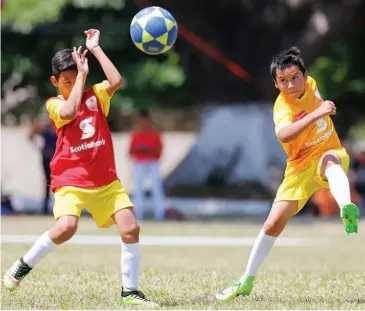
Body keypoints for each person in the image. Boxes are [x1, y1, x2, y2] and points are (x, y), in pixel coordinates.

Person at [3, 29, 158, 308]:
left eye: (76, 78)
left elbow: (116, 80)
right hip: (71, 180)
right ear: (55, 82)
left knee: (131, 228)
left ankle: (130, 293)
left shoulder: (97, 95)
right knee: (66, 228)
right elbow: (69, 112)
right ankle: (24, 264)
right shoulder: (54, 104)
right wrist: (83, 78)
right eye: (66, 81)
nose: (72, 84)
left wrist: (95, 49)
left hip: (106, 181)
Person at [215, 46, 359, 302]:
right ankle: (245, 280)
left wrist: (321, 110)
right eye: (282, 81)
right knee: (272, 223)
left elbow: (315, 97)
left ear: (305, 75)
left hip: (329, 150)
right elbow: (284, 134)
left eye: (294, 77)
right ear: (275, 84)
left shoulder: (312, 83)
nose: (290, 84)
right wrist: (318, 113)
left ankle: (346, 207)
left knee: (330, 163)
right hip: (298, 166)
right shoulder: (282, 107)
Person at [129, 109, 165, 221]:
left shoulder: (155, 134)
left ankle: (160, 214)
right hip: (139, 163)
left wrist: (149, 151)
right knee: (138, 189)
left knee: (156, 188)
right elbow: (131, 151)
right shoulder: (136, 134)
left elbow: (159, 150)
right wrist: (140, 150)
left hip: (152, 162)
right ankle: (138, 214)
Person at [28, 121, 57, 215]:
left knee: (58, 182)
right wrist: (38, 148)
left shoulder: (59, 126)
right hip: (48, 158)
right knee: (48, 182)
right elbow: (30, 135)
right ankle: (45, 207)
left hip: (56, 158)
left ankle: (58, 207)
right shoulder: (46, 127)